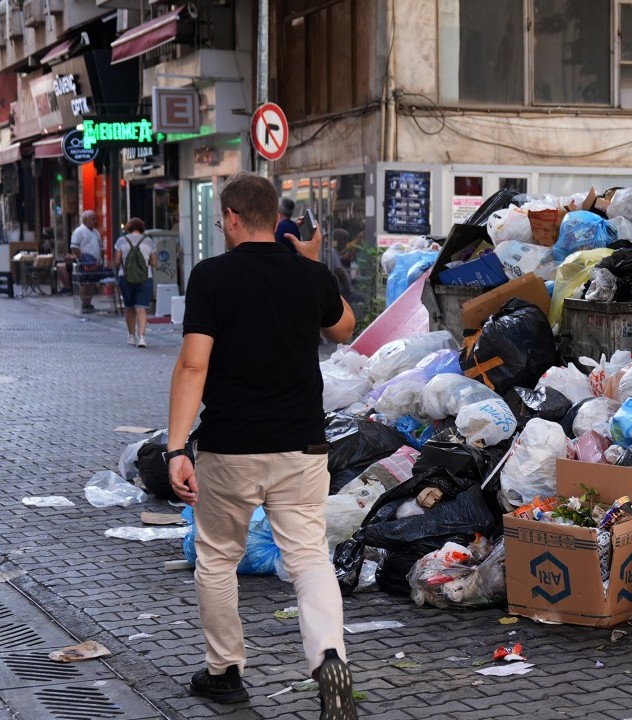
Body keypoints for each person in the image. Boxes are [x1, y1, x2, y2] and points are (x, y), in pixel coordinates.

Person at [166, 172, 358, 719]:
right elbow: (344, 327)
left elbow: (194, 363)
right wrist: (315, 263)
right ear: (276, 220)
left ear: (230, 217)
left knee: (218, 559)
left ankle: (225, 672)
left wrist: (177, 447)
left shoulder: (211, 277)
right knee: (308, 558)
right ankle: (329, 657)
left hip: (231, 446)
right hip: (302, 445)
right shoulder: (308, 275)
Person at [114, 218, 156, 348]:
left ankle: (131, 336)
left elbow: (116, 261)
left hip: (125, 277)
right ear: (142, 228)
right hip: (145, 278)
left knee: (129, 308)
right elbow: (154, 263)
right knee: (141, 307)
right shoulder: (149, 242)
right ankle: (142, 337)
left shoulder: (121, 241)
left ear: (129, 228)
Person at [64, 211, 103, 312]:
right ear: (86, 220)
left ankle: (89, 303)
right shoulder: (79, 231)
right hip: (85, 262)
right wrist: (82, 258)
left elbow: (100, 246)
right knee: (84, 283)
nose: (95, 221)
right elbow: (74, 247)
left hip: (95, 262)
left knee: (91, 282)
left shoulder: (96, 232)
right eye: (93, 219)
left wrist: (100, 259)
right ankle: (84, 304)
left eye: (95, 218)